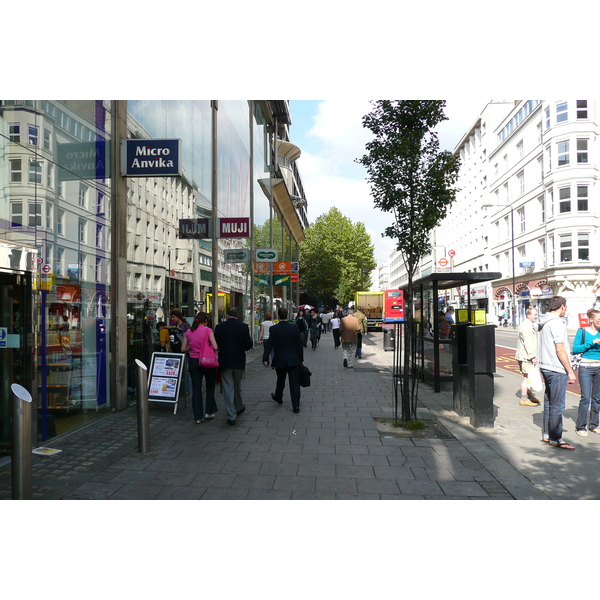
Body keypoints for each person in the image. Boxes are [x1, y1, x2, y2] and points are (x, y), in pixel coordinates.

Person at [537, 295, 577, 450]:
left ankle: (547, 434)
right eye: (565, 308)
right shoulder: (557, 324)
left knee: (548, 402)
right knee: (557, 405)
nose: (565, 310)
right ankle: (556, 438)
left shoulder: (543, 322)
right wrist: (570, 371)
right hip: (556, 368)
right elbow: (560, 350)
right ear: (562, 307)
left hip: (545, 366)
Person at [214, 307, 253, 426]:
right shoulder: (243, 327)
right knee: (237, 385)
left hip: (225, 361)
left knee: (227, 387)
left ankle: (231, 415)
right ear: (238, 316)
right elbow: (248, 345)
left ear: (227, 315)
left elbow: (216, 344)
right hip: (239, 361)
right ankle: (238, 406)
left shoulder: (219, 327)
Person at [263, 307, 304, 413]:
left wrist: (265, 357)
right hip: (294, 360)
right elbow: (299, 345)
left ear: (279, 316)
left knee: (280, 380)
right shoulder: (294, 328)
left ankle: (279, 397)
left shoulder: (274, 329)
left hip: (280, 359)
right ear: (287, 316)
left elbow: (269, 344)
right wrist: (301, 359)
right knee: (294, 382)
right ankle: (296, 405)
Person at [181, 312, 218, 424]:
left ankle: (198, 417)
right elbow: (215, 346)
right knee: (210, 386)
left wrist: (191, 348)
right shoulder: (208, 331)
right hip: (207, 361)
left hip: (193, 361)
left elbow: (183, 349)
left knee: (196, 389)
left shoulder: (188, 332)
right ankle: (209, 412)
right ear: (205, 321)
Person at [572, 308, 600, 437]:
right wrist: (591, 342)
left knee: (597, 399)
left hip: (599, 367)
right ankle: (580, 427)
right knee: (585, 398)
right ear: (591, 320)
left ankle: (594, 425)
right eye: (598, 320)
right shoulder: (582, 331)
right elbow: (576, 348)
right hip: (585, 367)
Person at [515, 306, 540, 406]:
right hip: (526, 357)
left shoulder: (528, 324)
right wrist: (532, 356)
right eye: (535, 315)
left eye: (537, 315)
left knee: (529, 376)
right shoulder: (526, 326)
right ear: (528, 315)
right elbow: (528, 343)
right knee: (527, 377)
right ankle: (524, 399)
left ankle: (531, 396)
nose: (536, 317)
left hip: (525, 356)